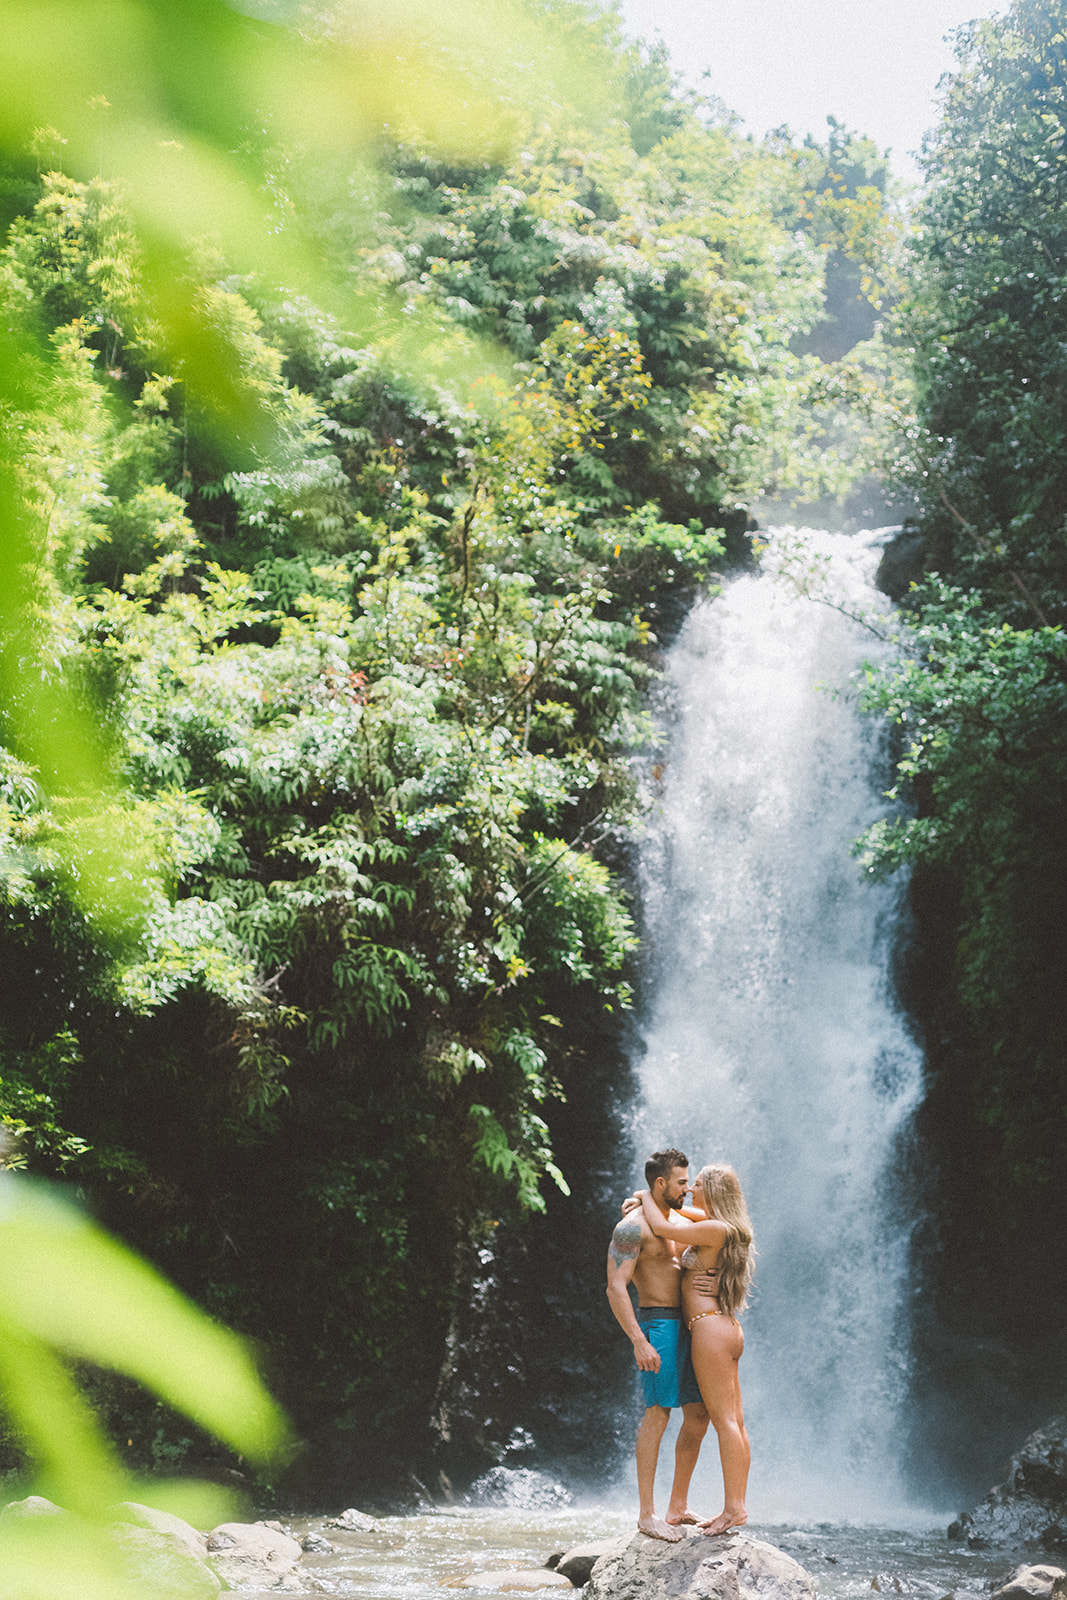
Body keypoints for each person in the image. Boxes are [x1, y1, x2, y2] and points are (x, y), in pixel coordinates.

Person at [638, 1163, 754, 1536]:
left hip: (707, 1328)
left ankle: (734, 1509)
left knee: (725, 1422)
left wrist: (643, 1197)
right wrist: (655, 1202)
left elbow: (664, 1227)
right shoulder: (721, 1225)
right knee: (729, 1420)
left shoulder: (712, 1228)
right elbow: (677, 1213)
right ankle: (684, 1506)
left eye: (698, 1183)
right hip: (725, 1328)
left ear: (714, 1191)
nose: (690, 1189)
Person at [606, 1148, 713, 1541]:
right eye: (682, 1182)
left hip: (690, 1325)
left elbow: (723, 1222)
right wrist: (638, 1340)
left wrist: (645, 1194)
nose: (688, 1188)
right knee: (658, 1414)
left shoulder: (677, 1218)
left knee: (699, 1413)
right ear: (662, 1183)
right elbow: (615, 1286)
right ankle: (647, 1515)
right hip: (658, 1325)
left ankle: (677, 1506)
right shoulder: (631, 1227)